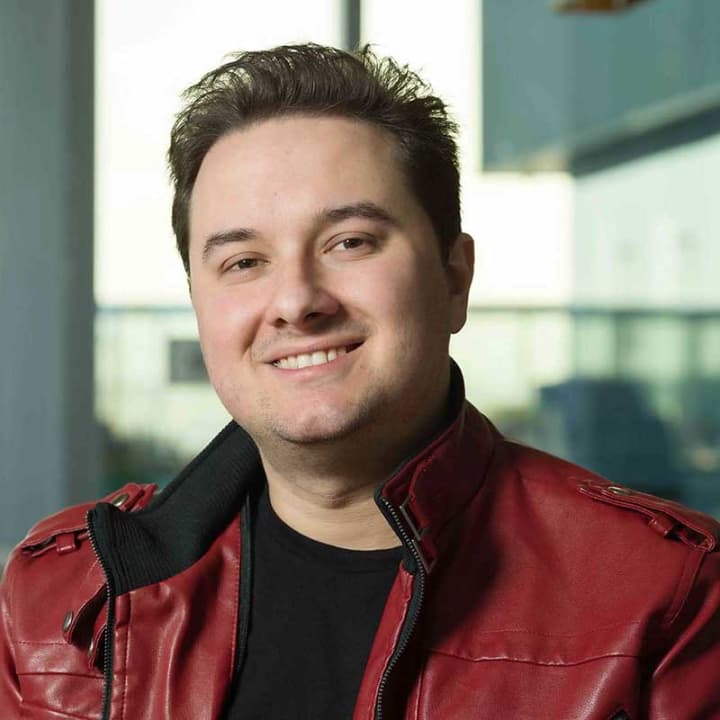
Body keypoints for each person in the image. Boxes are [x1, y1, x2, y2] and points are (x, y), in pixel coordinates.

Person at [1, 43, 719, 720]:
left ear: (455, 278)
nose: (296, 301)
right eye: (243, 262)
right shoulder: (61, 598)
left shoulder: (670, 597)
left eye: (349, 242)